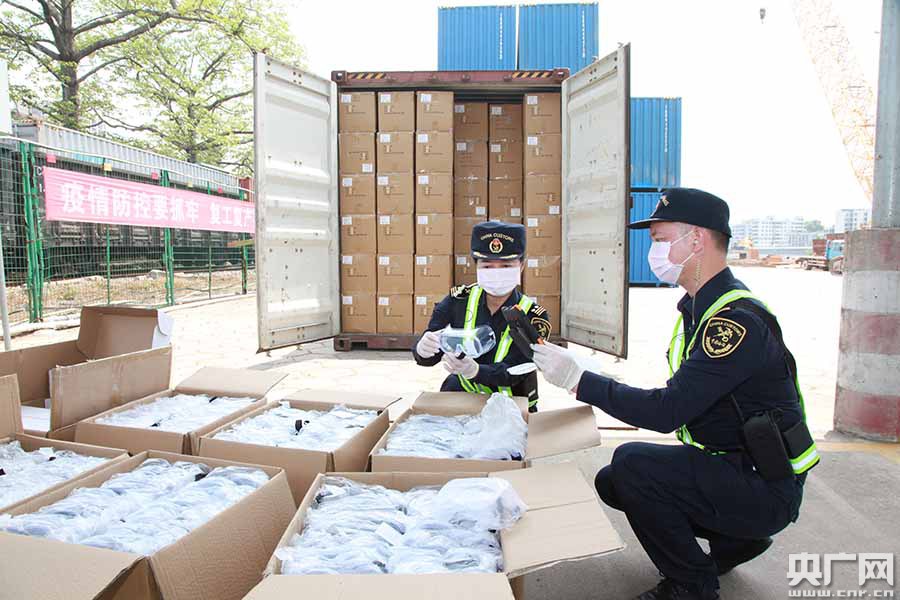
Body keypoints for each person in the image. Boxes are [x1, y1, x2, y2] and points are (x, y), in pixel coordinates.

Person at [532, 188, 819, 600]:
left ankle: (692, 585)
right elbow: (683, 397)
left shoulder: (734, 323)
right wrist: (583, 373)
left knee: (635, 465)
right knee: (614, 481)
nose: (654, 251)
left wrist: (580, 381)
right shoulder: (701, 307)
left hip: (765, 485)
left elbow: (667, 412)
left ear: (697, 239)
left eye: (661, 239)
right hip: (737, 468)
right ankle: (734, 541)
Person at [412, 220, 552, 411]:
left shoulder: (534, 316)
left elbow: (520, 369)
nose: (496, 274)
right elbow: (432, 350)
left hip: (513, 404)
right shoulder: (457, 300)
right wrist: (422, 349)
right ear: (476, 266)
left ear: (521, 265)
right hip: (466, 396)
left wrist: (476, 371)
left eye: (506, 266)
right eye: (487, 266)